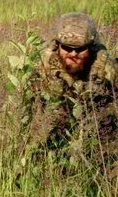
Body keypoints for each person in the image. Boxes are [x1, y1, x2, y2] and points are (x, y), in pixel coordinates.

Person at [32, 12, 118, 163]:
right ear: (57, 45)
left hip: (97, 138)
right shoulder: (42, 67)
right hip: (54, 137)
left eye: (80, 49)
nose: (73, 54)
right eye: (67, 48)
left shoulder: (108, 69)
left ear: (91, 48)